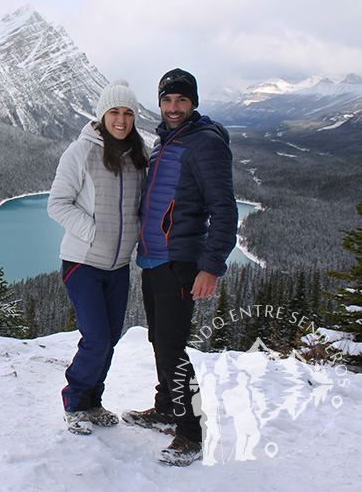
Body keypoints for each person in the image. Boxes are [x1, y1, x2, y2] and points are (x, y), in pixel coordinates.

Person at [121, 68, 237, 467]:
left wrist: (211, 266)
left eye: (181, 101)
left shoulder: (204, 144)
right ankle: (167, 408)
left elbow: (225, 210)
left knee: (172, 346)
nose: (173, 108)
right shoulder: (166, 139)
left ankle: (191, 431)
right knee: (159, 339)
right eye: (167, 101)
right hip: (154, 257)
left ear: (194, 103)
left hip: (181, 261)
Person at [48, 79, 148, 435]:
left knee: (111, 338)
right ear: (102, 114)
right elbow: (57, 204)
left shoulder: (139, 155)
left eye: (128, 113)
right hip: (83, 263)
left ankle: (93, 401)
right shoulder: (80, 152)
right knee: (96, 338)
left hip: (118, 266)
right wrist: (92, 231)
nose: (121, 120)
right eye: (114, 112)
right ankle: (73, 400)